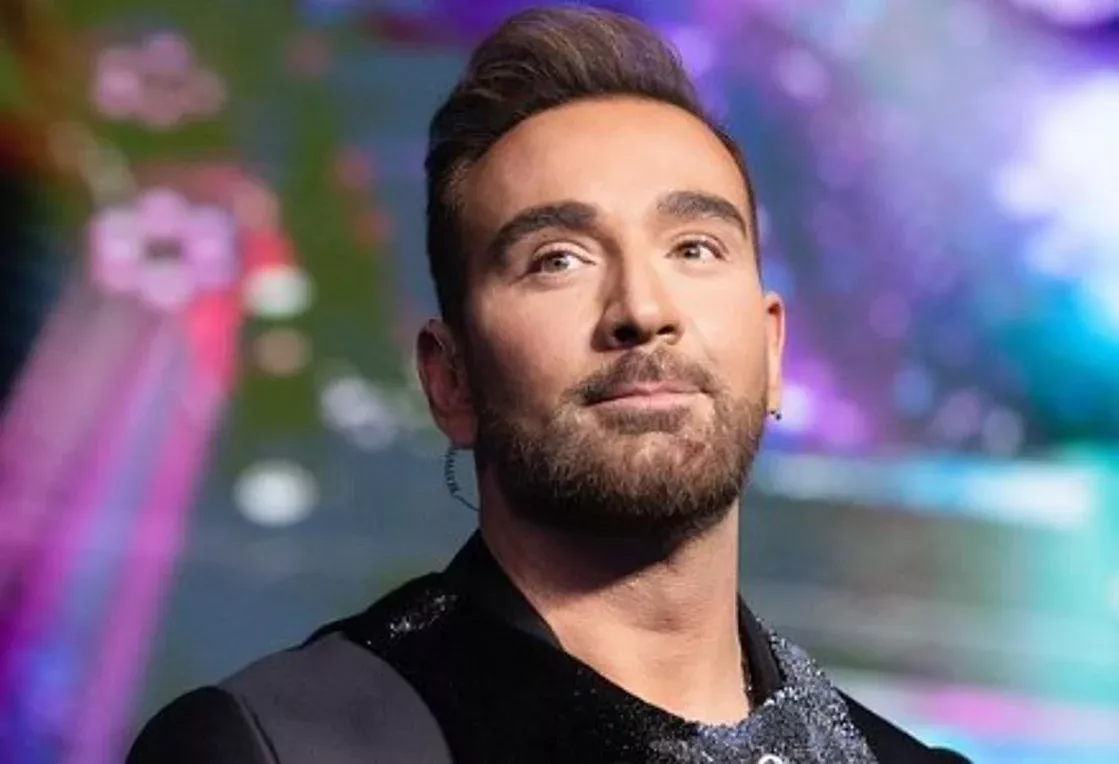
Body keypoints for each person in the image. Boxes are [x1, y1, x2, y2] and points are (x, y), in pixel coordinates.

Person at [127, 7, 970, 763]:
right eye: (557, 260)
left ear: (772, 346)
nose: (642, 310)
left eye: (694, 248)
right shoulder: (278, 747)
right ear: (450, 378)